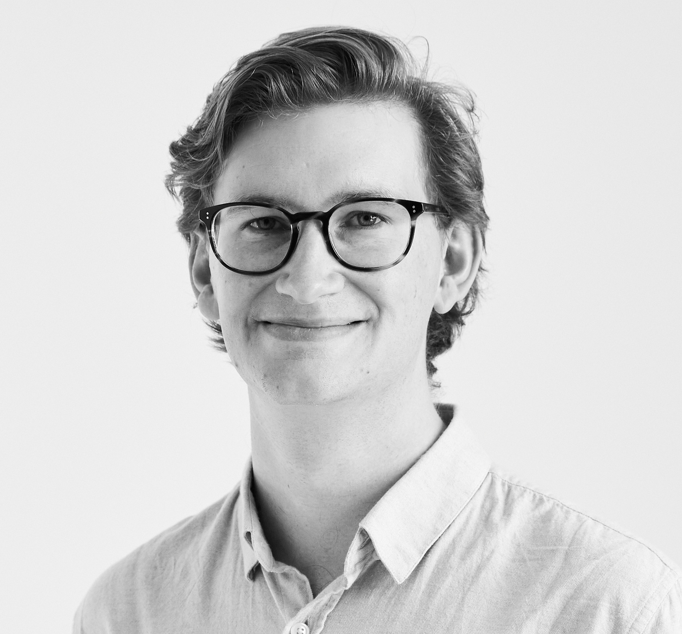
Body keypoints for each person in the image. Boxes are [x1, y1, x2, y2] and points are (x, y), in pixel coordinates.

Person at [73, 26, 681, 633]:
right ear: (205, 271)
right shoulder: (126, 614)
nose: (307, 278)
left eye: (364, 218)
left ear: (453, 263)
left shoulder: (608, 607)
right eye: (262, 223)